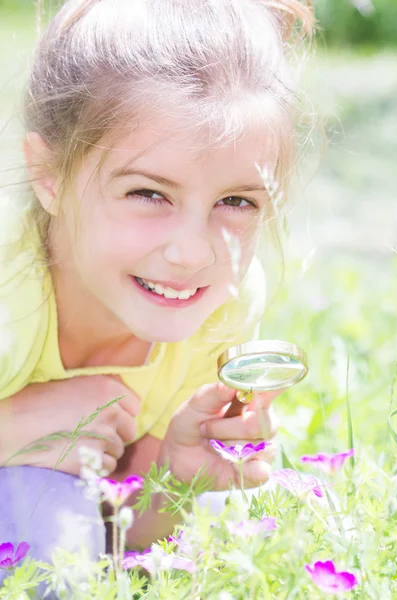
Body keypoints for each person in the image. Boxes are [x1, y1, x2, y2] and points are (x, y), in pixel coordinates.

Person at [0, 0, 314, 570]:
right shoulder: (7, 294)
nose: (192, 253)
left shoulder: (223, 305)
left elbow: (126, 528)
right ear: (49, 176)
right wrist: (9, 428)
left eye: (236, 201)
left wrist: (176, 474)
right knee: (43, 532)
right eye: (149, 193)